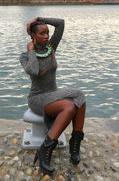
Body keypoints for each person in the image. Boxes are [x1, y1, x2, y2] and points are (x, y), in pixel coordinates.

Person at [19, 17, 86, 175]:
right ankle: (45, 149)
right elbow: (34, 71)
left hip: (53, 93)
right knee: (69, 106)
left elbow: (61, 23)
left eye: (47, 32)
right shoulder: (25, 56)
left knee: (80, 97)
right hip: (37, 98)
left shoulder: (51, 47)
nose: (46, 36)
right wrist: (31, 51)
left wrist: (41, 19)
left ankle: (74, 145)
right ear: (33, 36)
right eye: (42, 33)